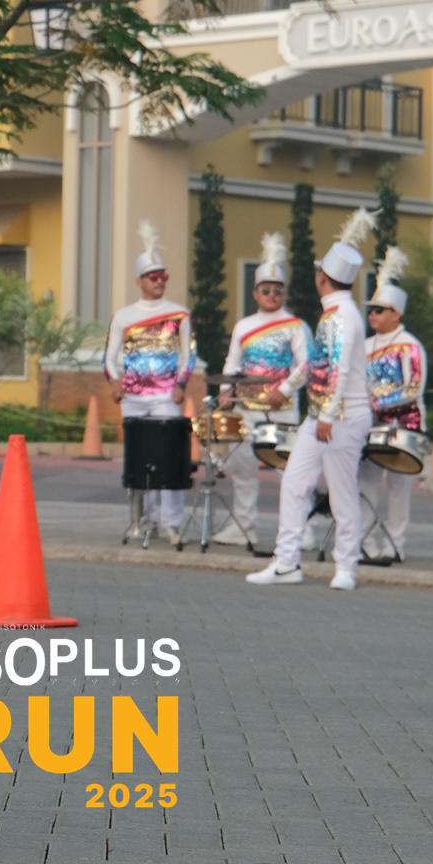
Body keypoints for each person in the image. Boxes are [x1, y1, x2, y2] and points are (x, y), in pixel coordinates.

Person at [248, 207, 374, 591]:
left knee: (342, 493)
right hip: (324, 416)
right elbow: (317, 363)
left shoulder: (342, 316)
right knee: (294, 484)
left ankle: (346, 567)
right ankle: (286, 562)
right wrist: (286, 389)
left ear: (322, 277)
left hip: (341, 417)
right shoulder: (335, 312)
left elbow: (338, 370)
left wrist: (327, 416)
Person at [104, 220, 197, 544]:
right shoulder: (123, 316)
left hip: (166, 397)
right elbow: (109, 357)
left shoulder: (180, 314)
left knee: (169, 457)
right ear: (139, 281)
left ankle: (171, 523)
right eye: (153, 277)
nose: (159, 281)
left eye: (163, 276)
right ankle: (142, 521)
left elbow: (188, 356)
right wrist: (114, 382)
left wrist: (181, 385)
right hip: (132, 398)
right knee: (138, 459)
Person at [213, 233, 307, 547]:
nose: (272, 295)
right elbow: (232, 362)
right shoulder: (243, 325)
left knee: (288, 472)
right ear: (255, 293)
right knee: (242, 470)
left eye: (278, 290)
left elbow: (307, 365)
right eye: (266, 290)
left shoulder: (295, 325)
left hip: (281, 409)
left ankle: (301, 530)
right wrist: (226, 391)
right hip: (245, 409)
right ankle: (244, 527)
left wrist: (285, 390)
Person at [357, 247, 425, 564]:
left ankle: (395, 544)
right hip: (369, 425)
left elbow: (413, 387)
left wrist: (378, 402)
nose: (372, 315)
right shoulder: (364, 346)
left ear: (396, 314)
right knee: (365, 484)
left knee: (399, 488)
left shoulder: (410, 345)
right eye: (370, 310)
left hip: (404, 426)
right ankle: (364, 542)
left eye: (378, 310)